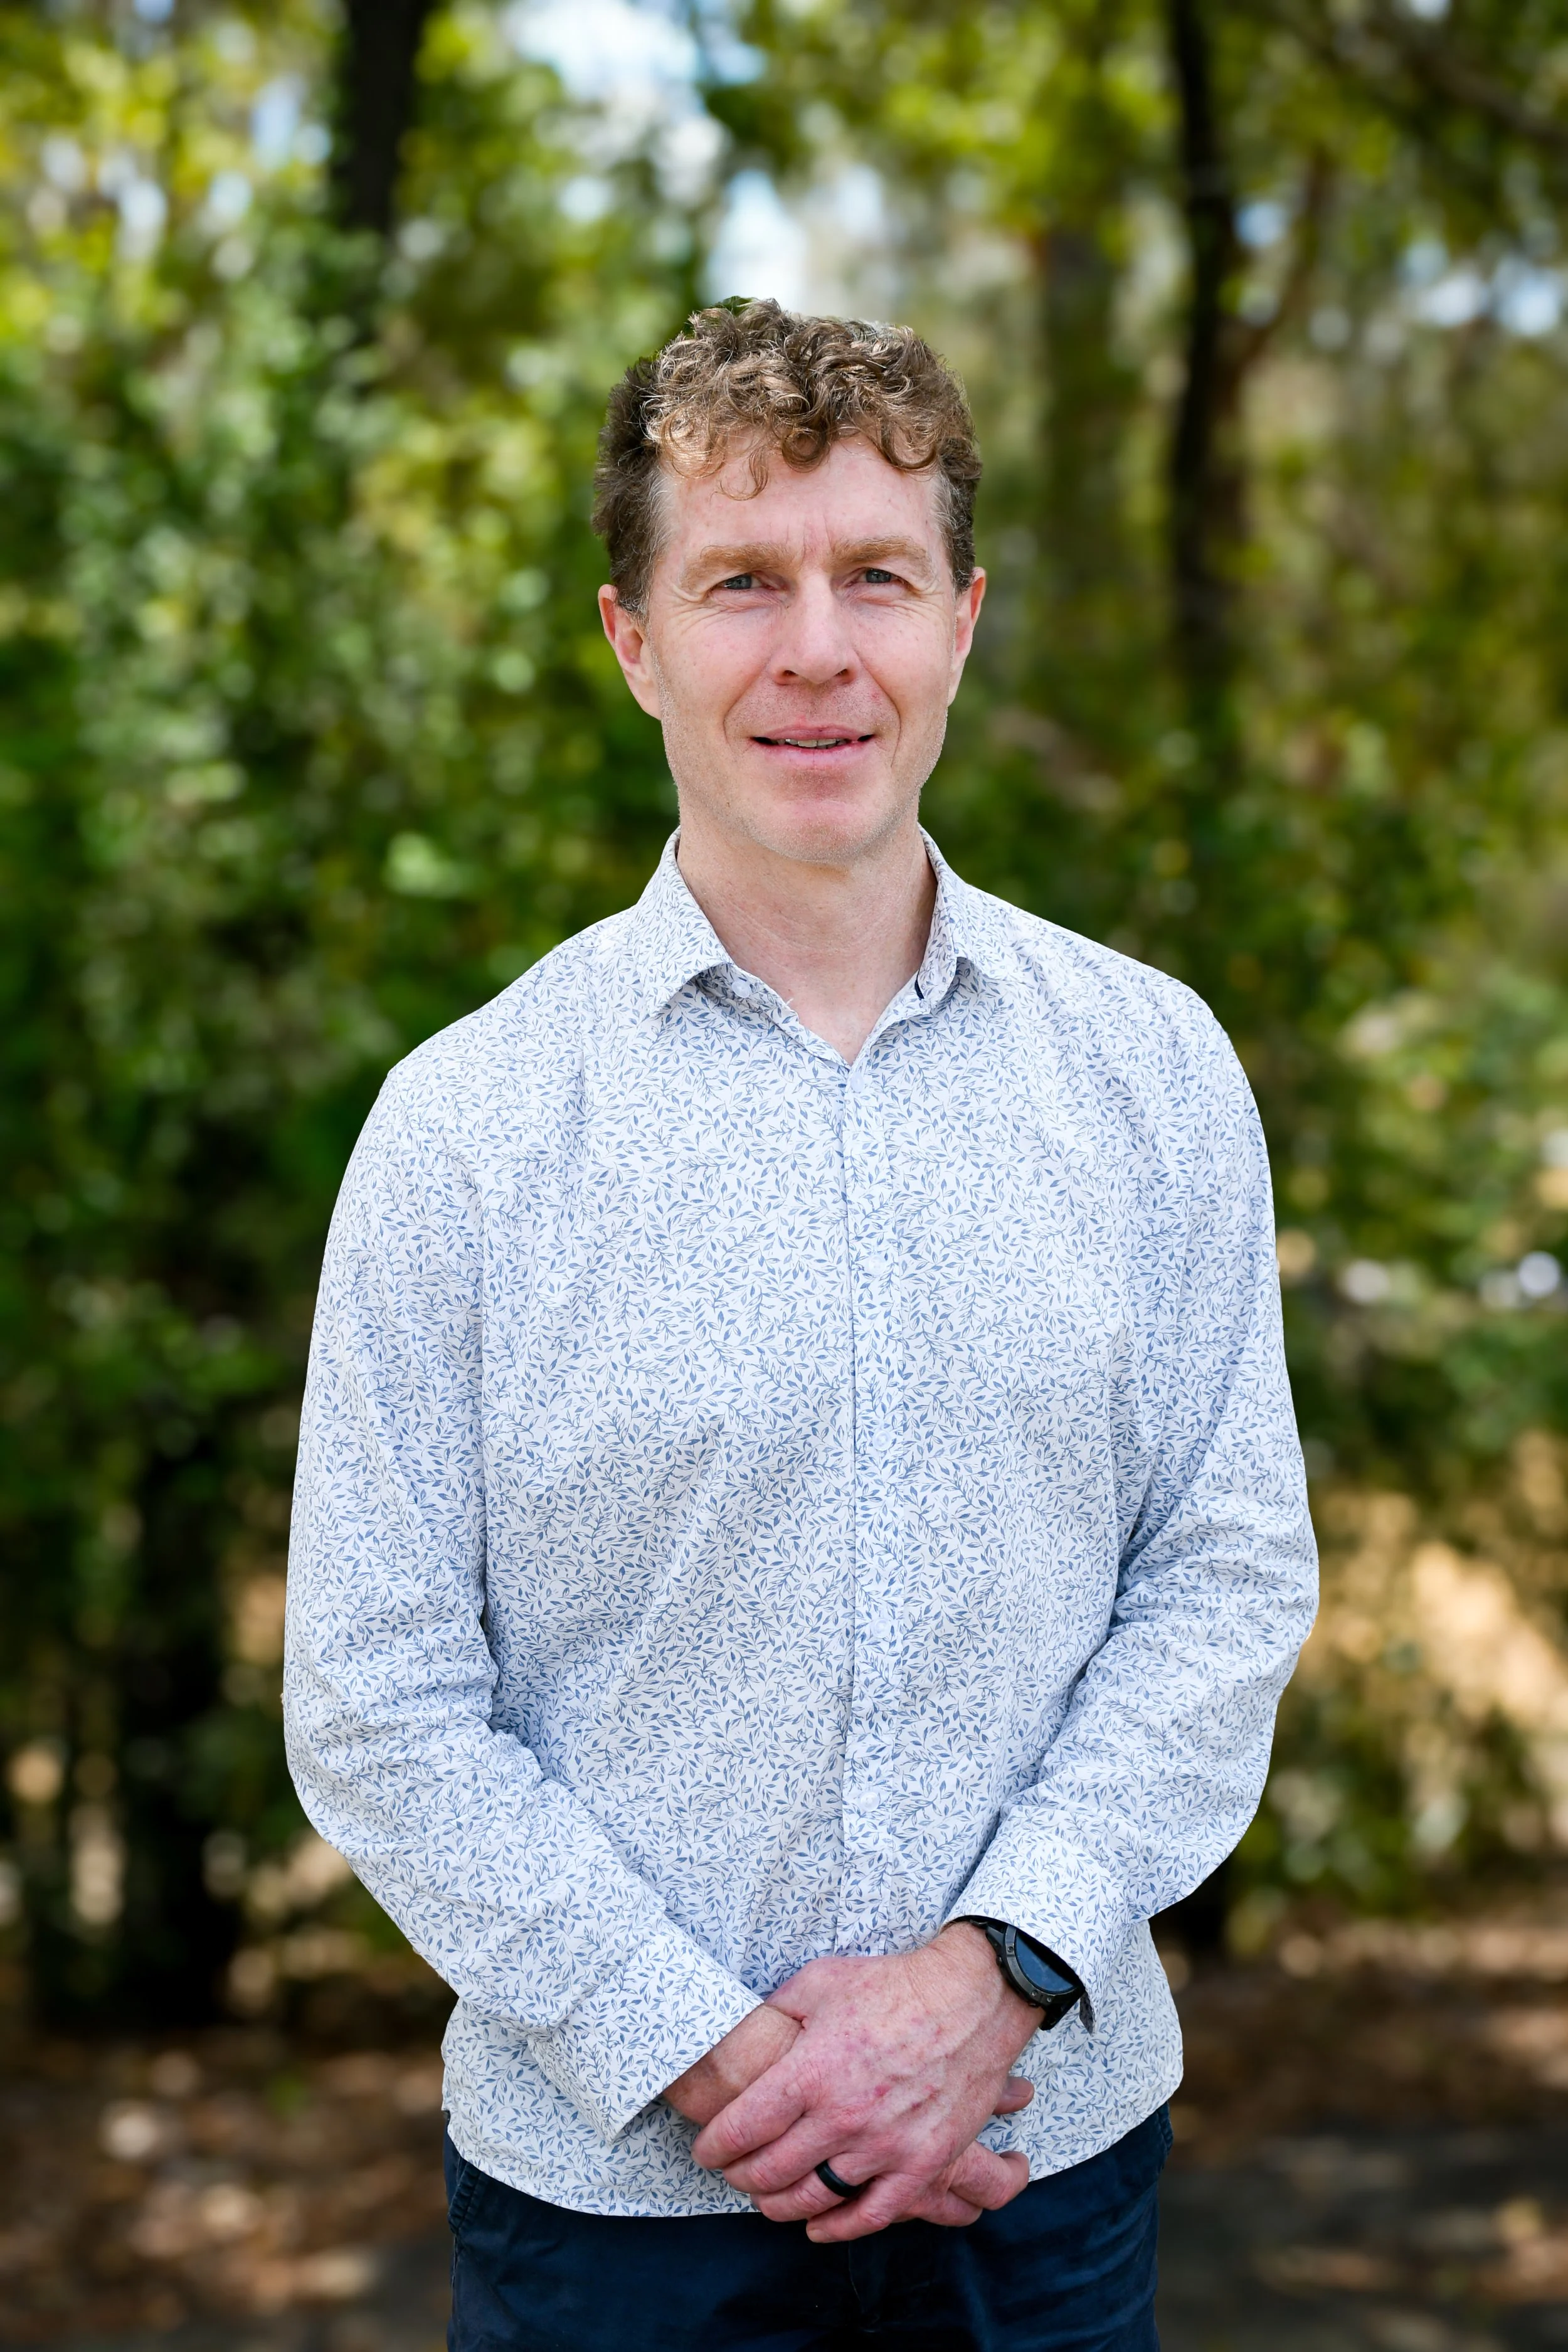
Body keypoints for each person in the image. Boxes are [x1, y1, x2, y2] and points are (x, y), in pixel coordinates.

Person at [283, 297, 1316, 2351]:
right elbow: (378, 1696)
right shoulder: (467, 1127)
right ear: (631, 637)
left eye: (877, 576)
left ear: (961, 619)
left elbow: (1221, 1577)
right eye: (741, 579)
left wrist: (987, 1976)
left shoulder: (1153, 1073)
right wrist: (727, 2065)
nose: (816, 648)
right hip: (617, 2214)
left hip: (1043, 2159)